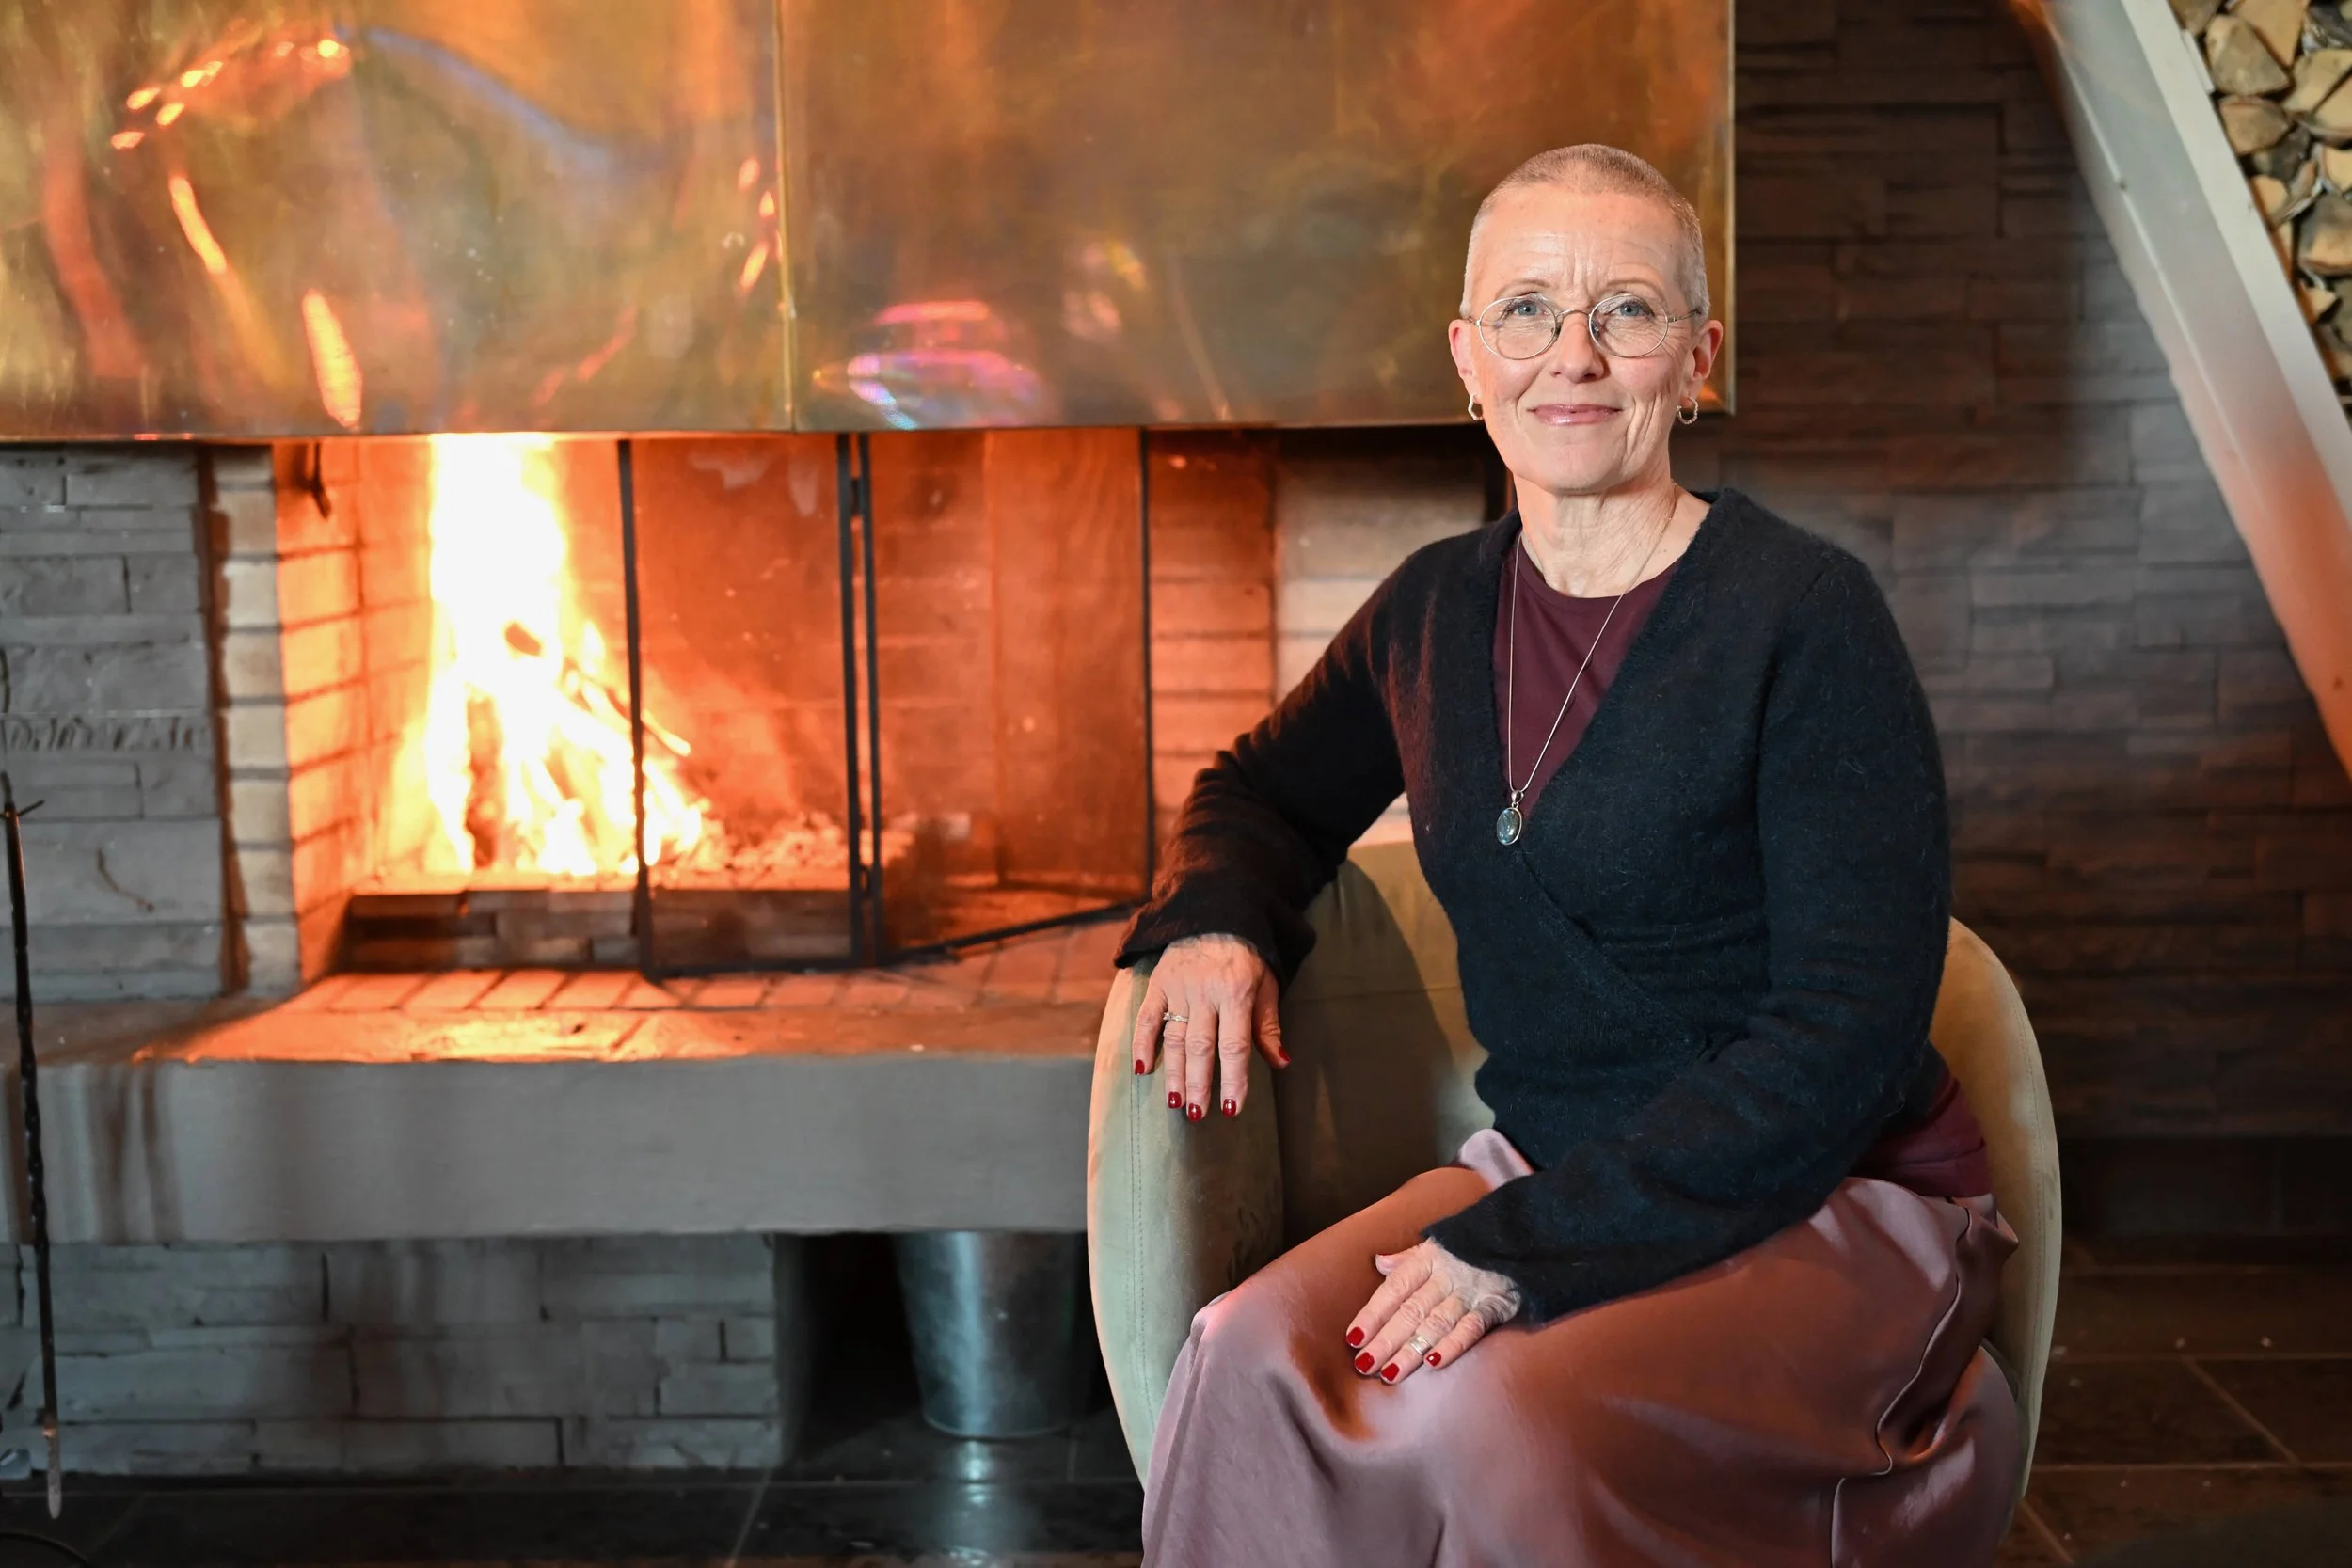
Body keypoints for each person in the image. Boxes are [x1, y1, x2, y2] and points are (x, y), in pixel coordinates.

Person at [1116, 144, 2020, 1567]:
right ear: (1470, 360)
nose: (1574, 355)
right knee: (1242, 1354)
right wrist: (1216, 921)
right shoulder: (1429, 611)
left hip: (1836, 1199)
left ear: (1698, 359)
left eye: (1630, 310)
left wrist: (1526, 1244)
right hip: (1547, 1172)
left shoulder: (1808, 618)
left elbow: (1845, 1035)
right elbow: (1261, 791)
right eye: (1529, 309)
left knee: (1501, 1419)